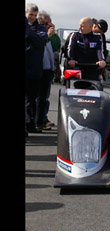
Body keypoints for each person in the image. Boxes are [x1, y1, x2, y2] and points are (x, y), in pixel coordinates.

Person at [25, 3, 48, 133]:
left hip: (34, 70)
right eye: (30, 15)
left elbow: (41, 41)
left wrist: (28, 32)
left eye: (34, 15)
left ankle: (30, 125)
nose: (32, 17)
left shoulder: (40, 28)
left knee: (32, 99)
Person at [37, 10, 56, 130]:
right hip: (38, 69)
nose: (47, 26)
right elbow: (38, 45)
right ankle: (37, 121)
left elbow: (56, 46)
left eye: (48, 23)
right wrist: (47, 35)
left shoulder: (51, 35)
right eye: (45, 24)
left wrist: (52, 34)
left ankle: (43, 118)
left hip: (48, 69)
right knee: (38, 98)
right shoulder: (37, 32)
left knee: (45, 97)